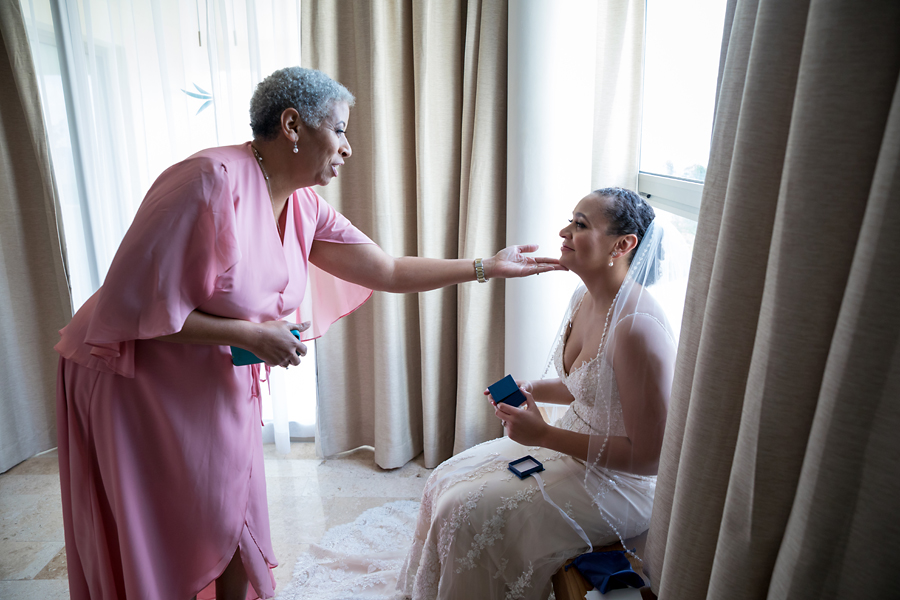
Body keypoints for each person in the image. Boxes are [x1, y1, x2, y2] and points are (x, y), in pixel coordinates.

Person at [54, 67, 562, 600]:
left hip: (210, 376)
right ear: (292, 125)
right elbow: (128, 312)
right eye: (339, 130)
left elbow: (386, 270)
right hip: (129, 375)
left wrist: (486, 267)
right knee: (172, 525)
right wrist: (251, 334)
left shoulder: (302, 203)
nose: (347, 148)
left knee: (231, 512)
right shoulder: (207, 180)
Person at [397, 188, 678, 600]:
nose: (564, 231)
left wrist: (544, 436)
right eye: (571, 219)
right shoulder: (583, 297)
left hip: (619, 485)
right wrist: (532, 389)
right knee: (447, 477)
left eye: (580, 225)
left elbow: (650, 457)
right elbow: (593, 386)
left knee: (469, 511)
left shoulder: (637, 329)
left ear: (623, 245)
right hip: (570, 448)